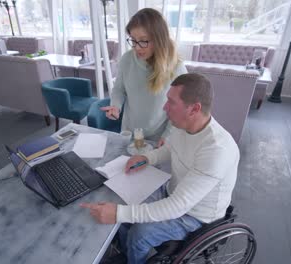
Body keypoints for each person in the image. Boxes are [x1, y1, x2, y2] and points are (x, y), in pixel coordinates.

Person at [81, 73, 240, 264]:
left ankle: (132, 256)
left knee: (139, 234)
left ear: (194, 109)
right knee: (124, 198)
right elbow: (170, 148)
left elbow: (178, 206)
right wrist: (147, 158)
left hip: (196, 215)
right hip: (174, 192)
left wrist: (118, 213)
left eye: (171, 102)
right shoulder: (185, 126)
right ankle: (126, 250)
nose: (165, 108)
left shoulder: (216, 150)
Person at [100, 8, 187, 147]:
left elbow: (180, 108)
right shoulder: (127, 59)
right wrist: (116, 106)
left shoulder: (177, 67)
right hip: (129, 133)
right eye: (133, 40)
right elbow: (119, 90)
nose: (137, 48)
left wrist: (168, 135)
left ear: (159, 39)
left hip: (157, 138)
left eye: (143, 41)